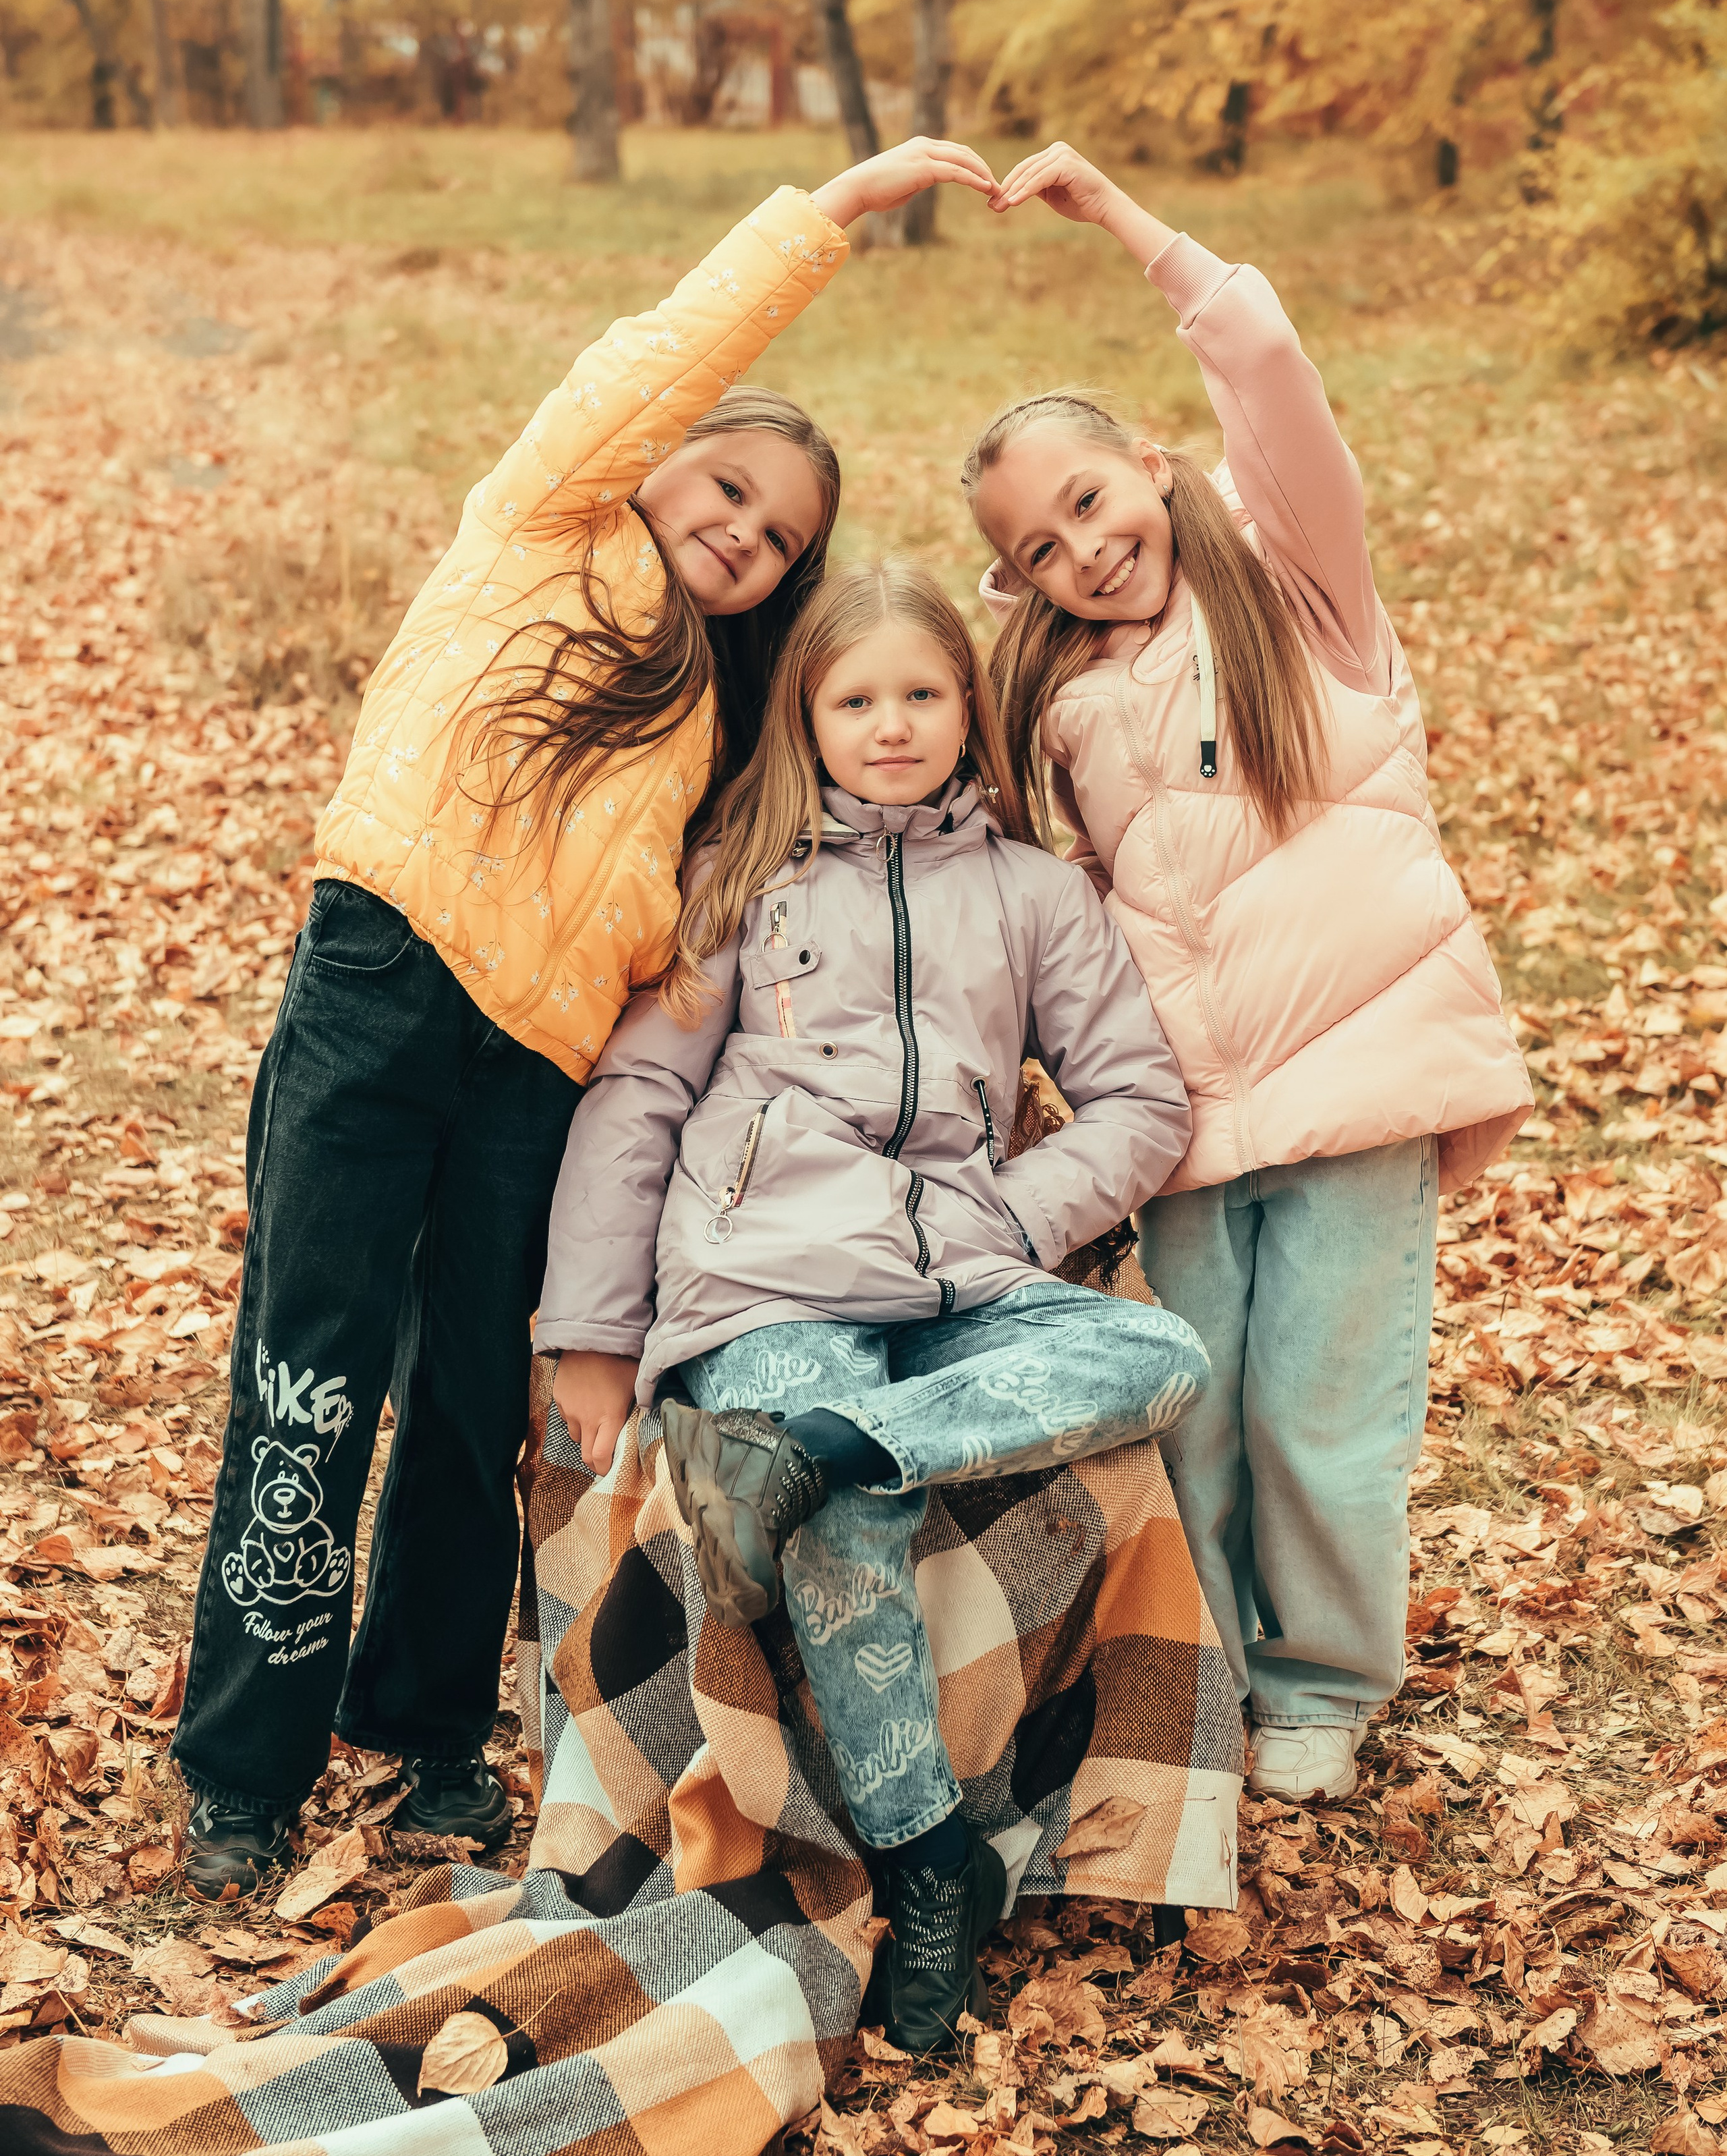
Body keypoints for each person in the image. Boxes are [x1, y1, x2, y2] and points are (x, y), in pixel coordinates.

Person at [173, 138, 1001, 1901]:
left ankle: (422, 1732)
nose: (743, 531)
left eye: (778, 536)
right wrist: (834, 215)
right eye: (729, 486)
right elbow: (658, 353)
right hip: (383, 983)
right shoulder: (545, 524)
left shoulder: (718, 714)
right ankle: (243, 1762)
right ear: (664, 456)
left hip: (535, 1071)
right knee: (312, 1379)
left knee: (474, 1401)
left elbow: (812, 818)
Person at [540, 559, 1208, 2049]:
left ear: (969, 706)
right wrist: (591, 1333)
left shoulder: (1035, 894)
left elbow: (1139, 1101)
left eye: (921, 694)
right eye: (855, 700)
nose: (890, 725)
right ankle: (926, 1859)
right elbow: (638, 1098)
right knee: (847, 1525)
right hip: (765, 1273)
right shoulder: (741, 878)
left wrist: (1011, 1216)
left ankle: (822, 1446)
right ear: (807, 715)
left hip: (958, 1264)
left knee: (1157, 1351)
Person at [963, 142, 1532, 1806]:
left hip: (1358, 1085)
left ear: (1151, 466)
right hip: (1191, 1123)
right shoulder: (1054, 705)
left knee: (1322, 1415)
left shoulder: (1298, 586)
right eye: (1039, 545)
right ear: (1018, 580)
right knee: (1196, 1416)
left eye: (1090, 500)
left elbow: (1268, 372)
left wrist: (1122, 221)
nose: (1082, 549)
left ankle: (1320, 1685)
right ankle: (1200, 1673)